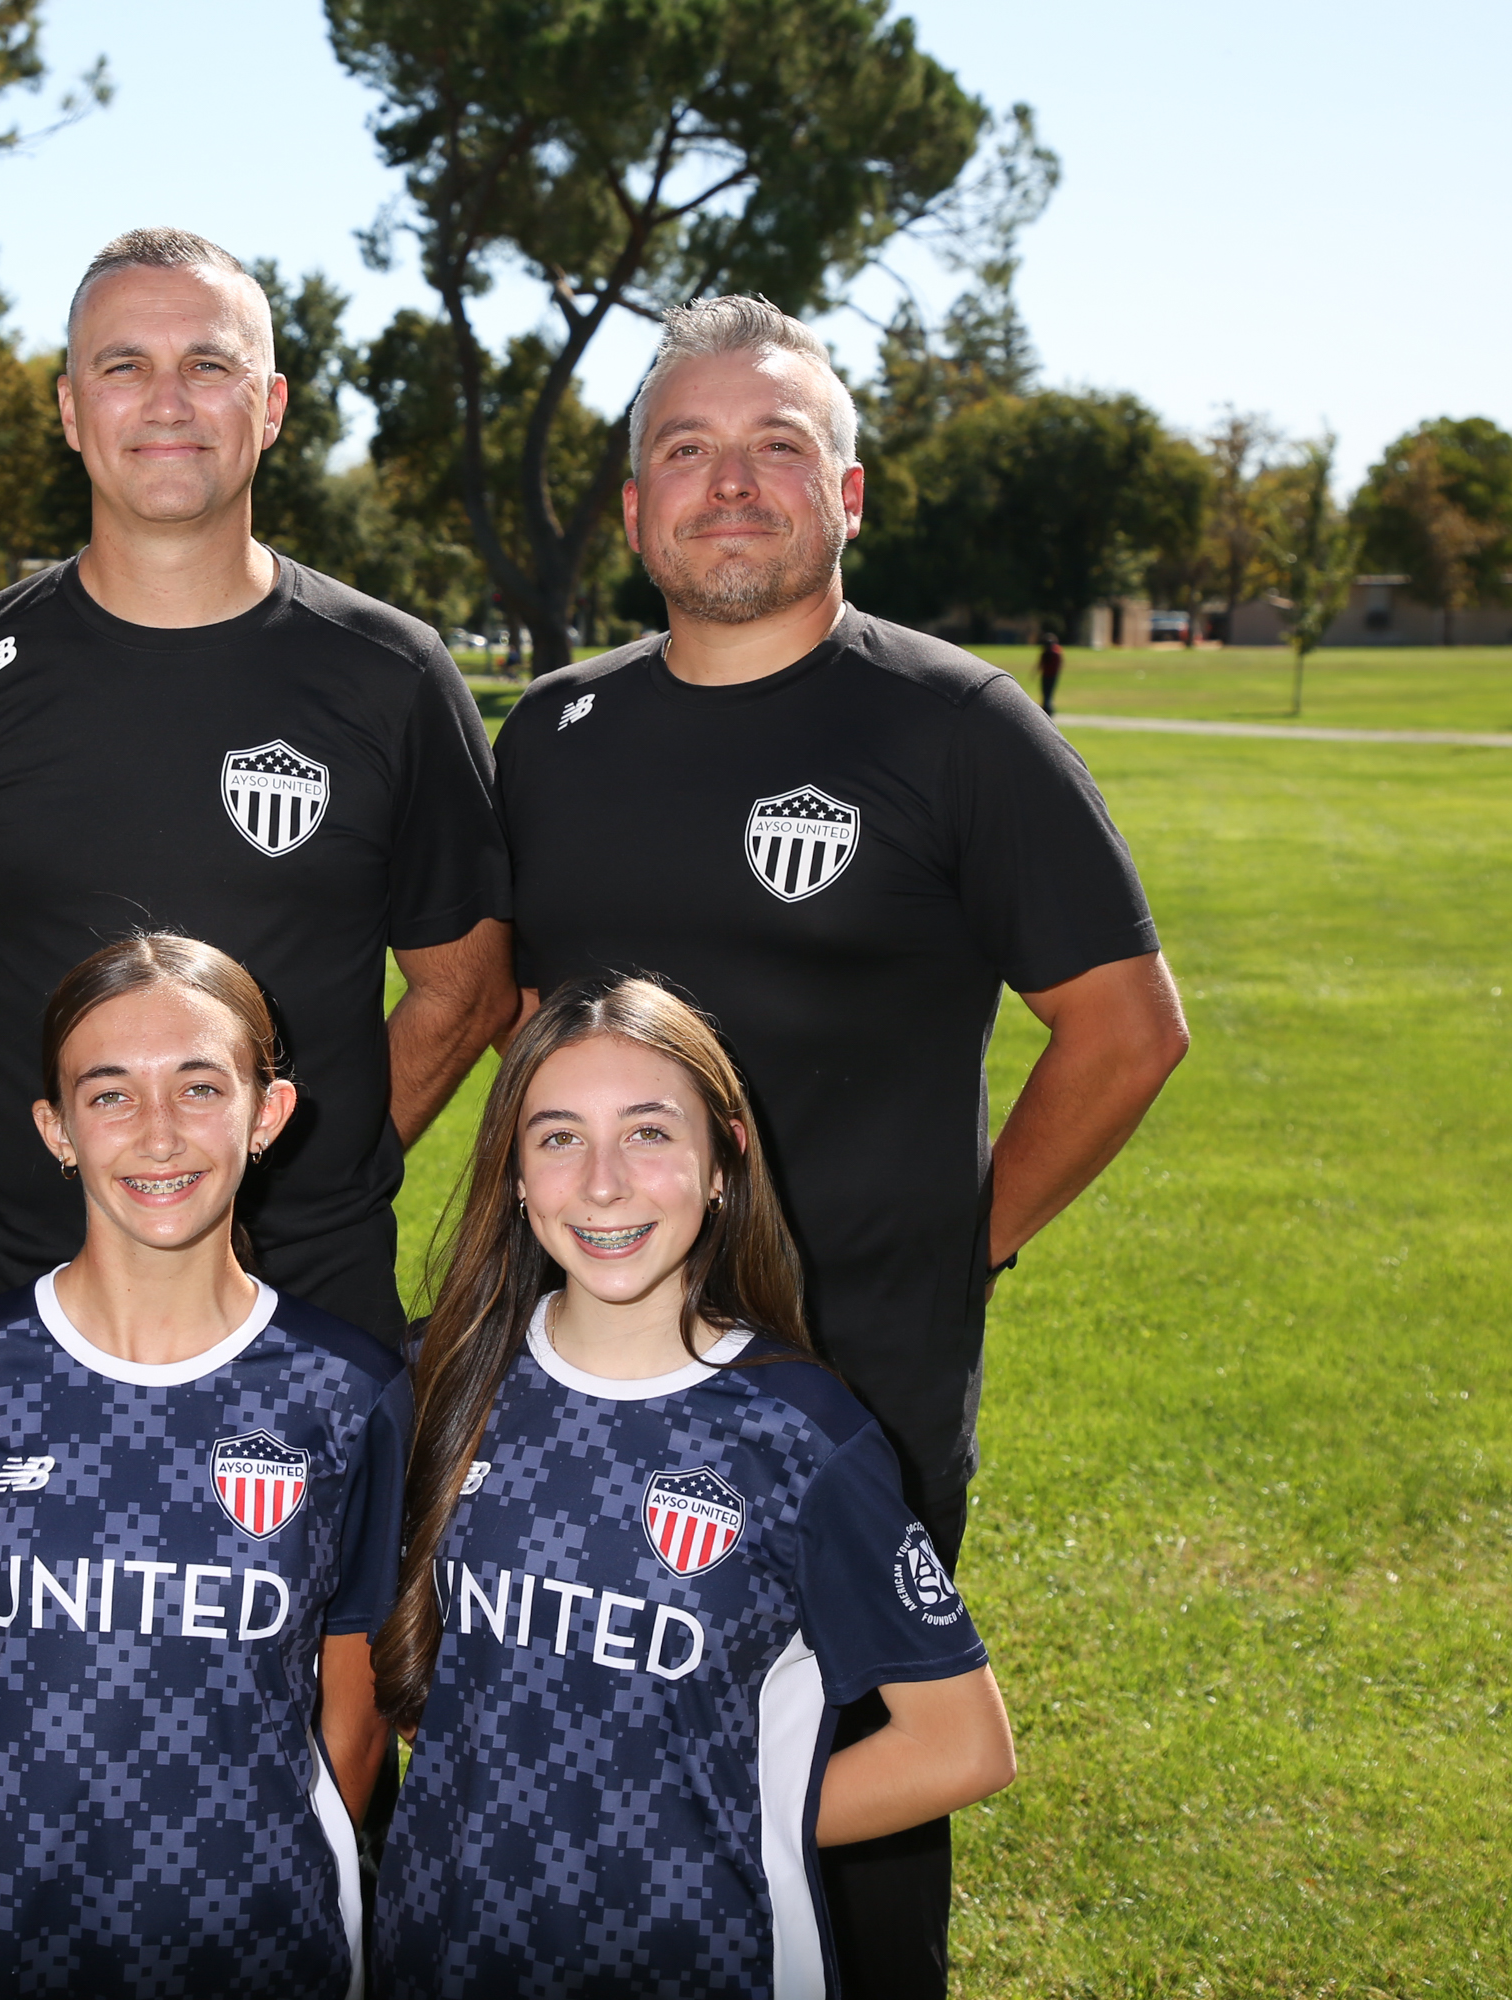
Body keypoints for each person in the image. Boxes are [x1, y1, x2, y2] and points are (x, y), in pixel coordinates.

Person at [492, 295, 1187, 1996]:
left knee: (845, 1801)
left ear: (848, 494)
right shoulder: (556, 735)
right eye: (688, 450)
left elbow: (1125, 1031)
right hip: (593, 1368)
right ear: (638, 506)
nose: (731, 484)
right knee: (584, 1760)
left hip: (851, 1372)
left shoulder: (956, 727)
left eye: (777, 447)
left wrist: (961, 1245)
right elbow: (528, 1027)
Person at [0, 226, 513, 1345]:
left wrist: (299, 1165)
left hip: (306, 1295)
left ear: (270, 406)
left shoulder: (392, 675)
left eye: (208, 365)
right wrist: (91, 1151)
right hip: (16, 1285)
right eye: (124, 366)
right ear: (72, 410)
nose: (167, 402)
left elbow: (464, 989)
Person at [372, 974, 1013, 1998]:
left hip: (697, 1951)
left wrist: (701, 1821)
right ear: (515, 1175)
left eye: (649, 1133)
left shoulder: (798, 1433)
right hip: (443, 1943)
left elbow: (960, 1745)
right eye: (558, 1138)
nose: (603, 1184)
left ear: (724, 1161)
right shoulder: (441, 1378)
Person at [0, 935, 412, 1998]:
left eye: (200, 1087)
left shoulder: (348, 1392)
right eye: (110, 1095)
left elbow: (355, 1712)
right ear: (55, 1129)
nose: (158, 1132)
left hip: (260, 1954)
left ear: (267, 1113)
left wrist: (268, 1881)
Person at [1036, 633, 1065, 717]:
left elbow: (1040, 664)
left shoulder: (1045, 653)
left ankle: (1046, 708)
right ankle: (1048, 708)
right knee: (1049, 693)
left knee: (1045, 693)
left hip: (1046, 675)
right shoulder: (1057, 652)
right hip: (1053, 675)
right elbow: (1060, 664)